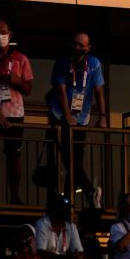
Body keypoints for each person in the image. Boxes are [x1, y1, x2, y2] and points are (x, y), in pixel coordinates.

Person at [47, 32, 107, 209]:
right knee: (68, 159)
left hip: (82, 116)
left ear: (88, 47)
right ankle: (89, 191)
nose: (77, 48)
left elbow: (99, 91)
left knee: (76, 162)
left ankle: (69, 200)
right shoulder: (63, 62)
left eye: (81, 45)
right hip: (60, 115)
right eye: (75, 44)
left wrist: (102, 116)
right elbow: (61, 90)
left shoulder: (94, 63)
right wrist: (67, 116)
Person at [0, 19, 34, 205]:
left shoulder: (21, 58)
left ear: (10, 34)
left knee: (14, 156)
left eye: (3, 32)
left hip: (15, 114)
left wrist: (16, 81)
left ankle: (15, 196)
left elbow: (28, 89)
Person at [31, 194, 88, 259]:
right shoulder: (42, 224)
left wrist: (78, 256)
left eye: (68, 209)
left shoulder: (71, 227)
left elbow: (79, 252)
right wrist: (64, 258)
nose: (68, 212)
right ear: (53, 211)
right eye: (64, 209)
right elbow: (40, 252)